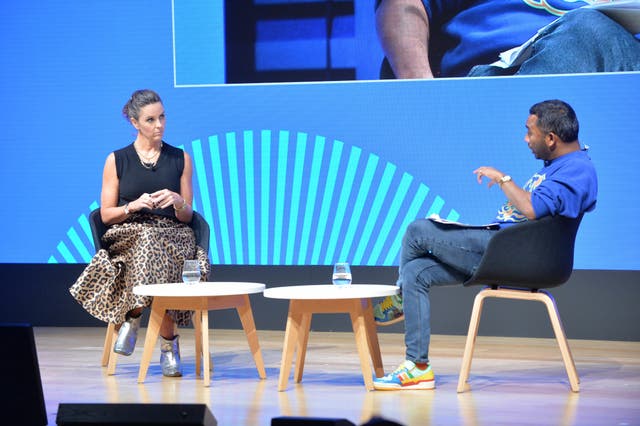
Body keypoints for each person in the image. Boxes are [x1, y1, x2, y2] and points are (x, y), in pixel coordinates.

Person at [372, 100, 597, 390]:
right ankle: (418, 367)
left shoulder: (577, 169)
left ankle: (400, 298)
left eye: (530, 133)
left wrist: (503, 178)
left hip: (511, 254)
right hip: (503, 248)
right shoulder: (561, 166)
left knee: (418, 231)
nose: (526, 140)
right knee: (416, 271)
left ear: (551, 138)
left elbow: (530, 209)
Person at [70, 89, 209, 377]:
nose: (159, 125)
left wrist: (178, 201)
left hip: (173, 234)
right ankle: (169, 347)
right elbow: (106, 214)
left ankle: (133, 318)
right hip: (129, 233)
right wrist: (132, 206)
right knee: (146, 241)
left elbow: (188, 216)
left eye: (162, 117)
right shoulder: (117, 160)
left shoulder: (180, 158)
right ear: (135, 123)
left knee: (155, 243)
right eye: (151, 120)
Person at [375, 0, 640, 79]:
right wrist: (421, 90)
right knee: (586, 29)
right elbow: (404, 7)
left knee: (589, 28)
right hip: (496, 78)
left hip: (617, 81)